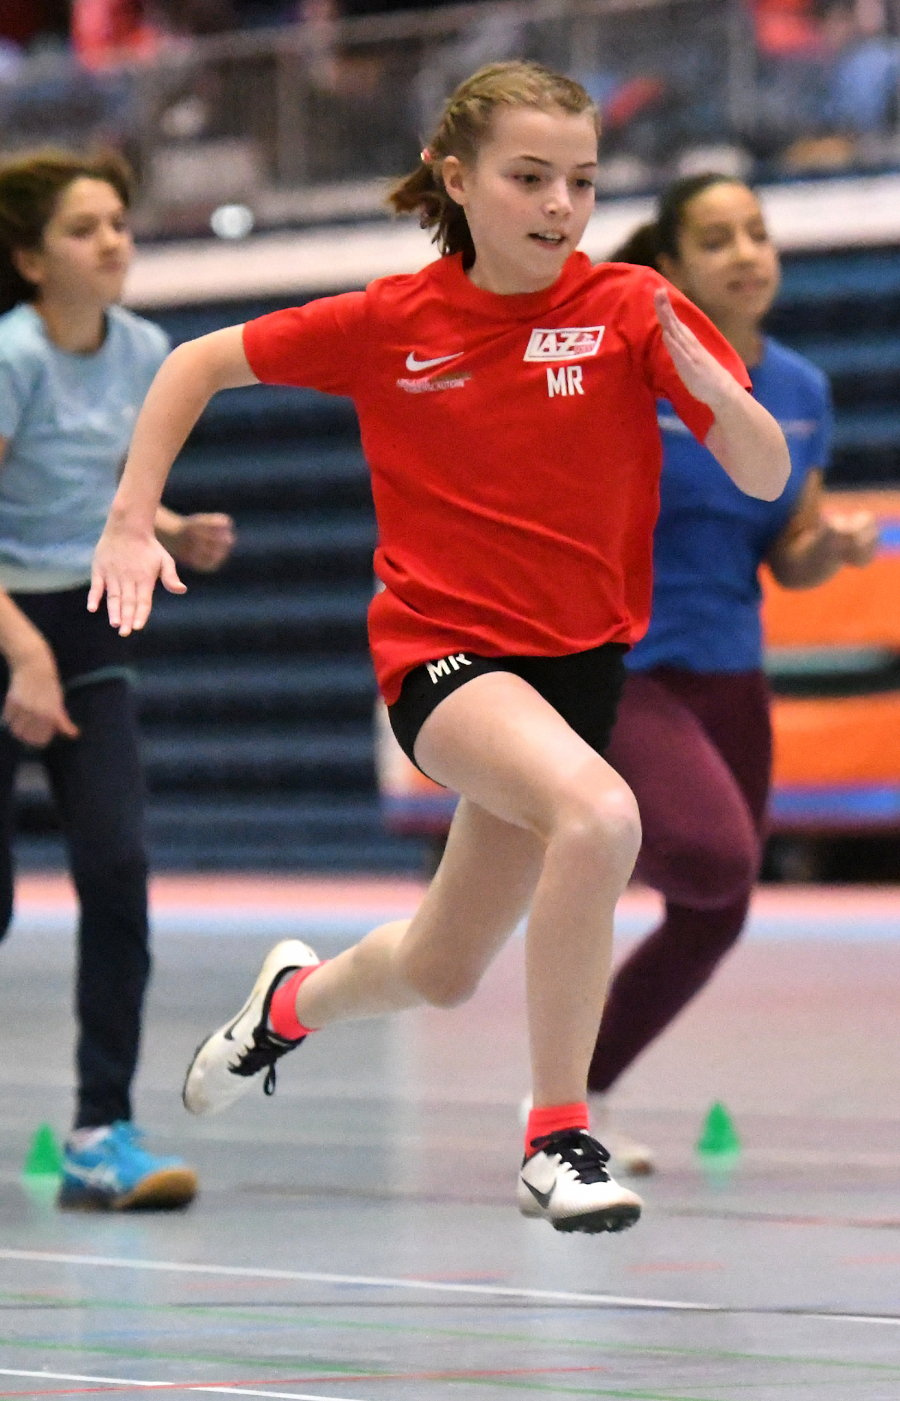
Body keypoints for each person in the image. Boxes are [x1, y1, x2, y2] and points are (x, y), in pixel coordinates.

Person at [90, 62, 790, 1235]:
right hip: (443, 659)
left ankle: (290, 1003)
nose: (560, 204)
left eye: (581, 180)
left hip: (579, 672)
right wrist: (128, 517)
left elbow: (763, 475)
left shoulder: (630, 307)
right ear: (458, 180)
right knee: (602, 817)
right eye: (531, 177)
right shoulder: (388, 323)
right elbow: (192, 363)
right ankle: (556, 1139)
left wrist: (718, 384)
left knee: (442, 968)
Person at [584, 172, 877, 1173]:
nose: (748, 253)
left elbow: (787, 553)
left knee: (718, 908)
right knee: (710, 856)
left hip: (731, 676)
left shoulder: (801, 392)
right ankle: (570, 839)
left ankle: (575, 1093)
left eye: (757, 233)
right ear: (670, 265)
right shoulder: (630, 374)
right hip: (623, 667)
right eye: (719, 239)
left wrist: (827, 547)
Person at [0, 149, 235, 1209]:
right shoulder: (13, 356)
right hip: (8, 624)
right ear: (30, 260)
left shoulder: (142, 349)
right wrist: (23, 655)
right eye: (83, 227)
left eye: (118, 223)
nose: (112, 241)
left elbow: (101, 491)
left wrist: (172, 526)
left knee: (117, 867)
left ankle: (102, 1131)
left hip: (85, 630)